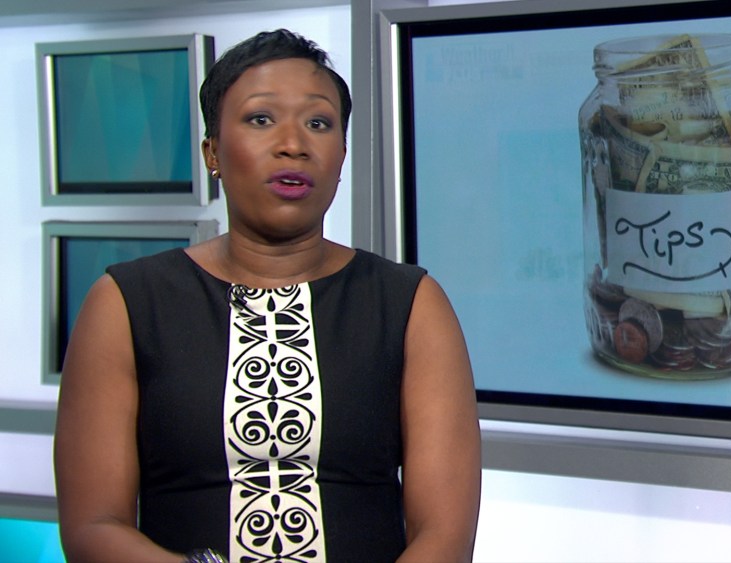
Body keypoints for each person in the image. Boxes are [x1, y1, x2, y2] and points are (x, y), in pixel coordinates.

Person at [53, 29, 481, 563]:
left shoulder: (410, 303)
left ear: (342, 155)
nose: (293, 144)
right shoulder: (126, 302)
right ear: (212, 151)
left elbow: (444, 538)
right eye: (261, 119)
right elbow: (93, 528)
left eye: (318, 123)